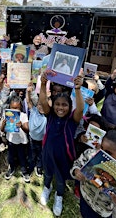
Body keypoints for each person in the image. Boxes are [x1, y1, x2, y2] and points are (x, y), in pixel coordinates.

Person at [39, 71, 84, 216]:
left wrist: (77, 89)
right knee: (47, 174)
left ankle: (59, 196)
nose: (60, 107)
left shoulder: (72, 121)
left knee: (60, 179)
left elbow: (81, 108)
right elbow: (43, 101)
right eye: (57, 104)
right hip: (47, 152)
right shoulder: (50, 115)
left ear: (70, 107)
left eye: (64, 105)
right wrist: (44, 83)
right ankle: (47, 188)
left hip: (63, 157)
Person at [71, 129, 116, 218]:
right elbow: (77, 164)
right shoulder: (90, 154)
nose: (102, 154)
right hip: (85, 198)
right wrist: (76, 171)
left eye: (109, 153)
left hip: (103, 211)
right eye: (101, 148)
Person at [1, 95, 30, 183]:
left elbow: (27, 130)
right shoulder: (6, 115)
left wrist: (21, 126)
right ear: (9, 106)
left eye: (17, 108)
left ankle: (24, 171)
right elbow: (2, 130)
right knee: (11, 157)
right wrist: (3, 124)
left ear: (21, 106)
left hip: (21, 141)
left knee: (22, 157)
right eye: (12, 107)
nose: (15, 110)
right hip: (11, 140)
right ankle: (12, 169)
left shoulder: (23, 116)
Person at [26, 82, 46, 177]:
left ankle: (39, 167)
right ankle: (30, 167)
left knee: (41, 155)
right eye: (39, 104)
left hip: (42, 140)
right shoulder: (34, 111)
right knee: (32, 154)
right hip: (32, 138)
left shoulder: (47, 116)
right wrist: (28, 92)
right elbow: (28, 102)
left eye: (44, 105)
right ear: (37, 104)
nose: (41, 107)